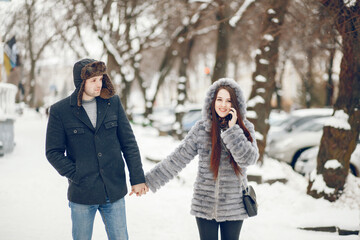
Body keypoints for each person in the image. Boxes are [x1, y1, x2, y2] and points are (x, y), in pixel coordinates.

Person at [45, 58, 148, 240]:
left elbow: (129, 143)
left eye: (101, 79)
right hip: (82, 194)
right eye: (93, 80)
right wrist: (77, 174)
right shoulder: (60, 111)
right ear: (80, 82)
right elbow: (53, 152)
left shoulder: (113, 103)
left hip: (114, 190)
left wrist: (137, 179)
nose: (99, 84)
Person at [145, 78, 259, 240]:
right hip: (205, 205)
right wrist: (150, 180)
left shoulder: (245, 128)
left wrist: (233, 130)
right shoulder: (202, 128)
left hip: (234, 206)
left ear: (235, 104)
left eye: (228, 100)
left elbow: (248, 159)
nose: (223, 104)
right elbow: (178, 157)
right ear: (212, 102)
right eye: (219, 99)